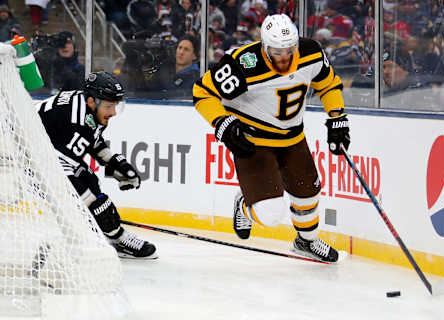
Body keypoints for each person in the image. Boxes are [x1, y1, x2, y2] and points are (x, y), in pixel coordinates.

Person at [193, 14, 349, 263]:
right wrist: (222, 122)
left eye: (289, 50)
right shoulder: (244, 64)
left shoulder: (311, 52)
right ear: (265, 47)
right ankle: (245, 203)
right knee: (270, 214)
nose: (285, 57)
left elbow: (327, 84)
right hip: (253, 142)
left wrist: (337, 116)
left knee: (308, 196)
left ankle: (305, 242)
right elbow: (202, 92)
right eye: (277, 51)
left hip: (293, 137)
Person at [36, 72, 157, 259]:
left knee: (90, 181)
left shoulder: (89, 109)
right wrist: (94, 206)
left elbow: (93, 140)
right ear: (92, 102)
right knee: (90, 195)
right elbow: (60, 168)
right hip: (20, 153)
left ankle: (112, 234)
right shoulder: (74, 119)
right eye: (109, 106)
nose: (113, 112)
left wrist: (115, 162)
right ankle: (117, 237)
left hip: (47, 147)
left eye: (115, 106)